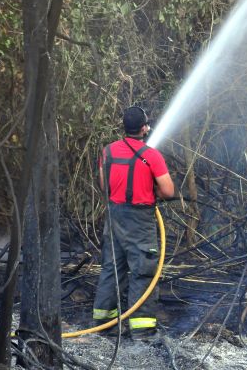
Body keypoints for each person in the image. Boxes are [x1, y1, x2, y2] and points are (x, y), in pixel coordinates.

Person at [92, 106, 175, 340]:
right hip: (139, 220)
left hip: (113, 215)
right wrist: (151, 188)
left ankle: (103, 323)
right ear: (144, 127)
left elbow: (103, 185)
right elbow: (168, 191)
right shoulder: (151, 155)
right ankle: (142, 331)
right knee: (142, 270)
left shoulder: (107, 152)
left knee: (112, 268)